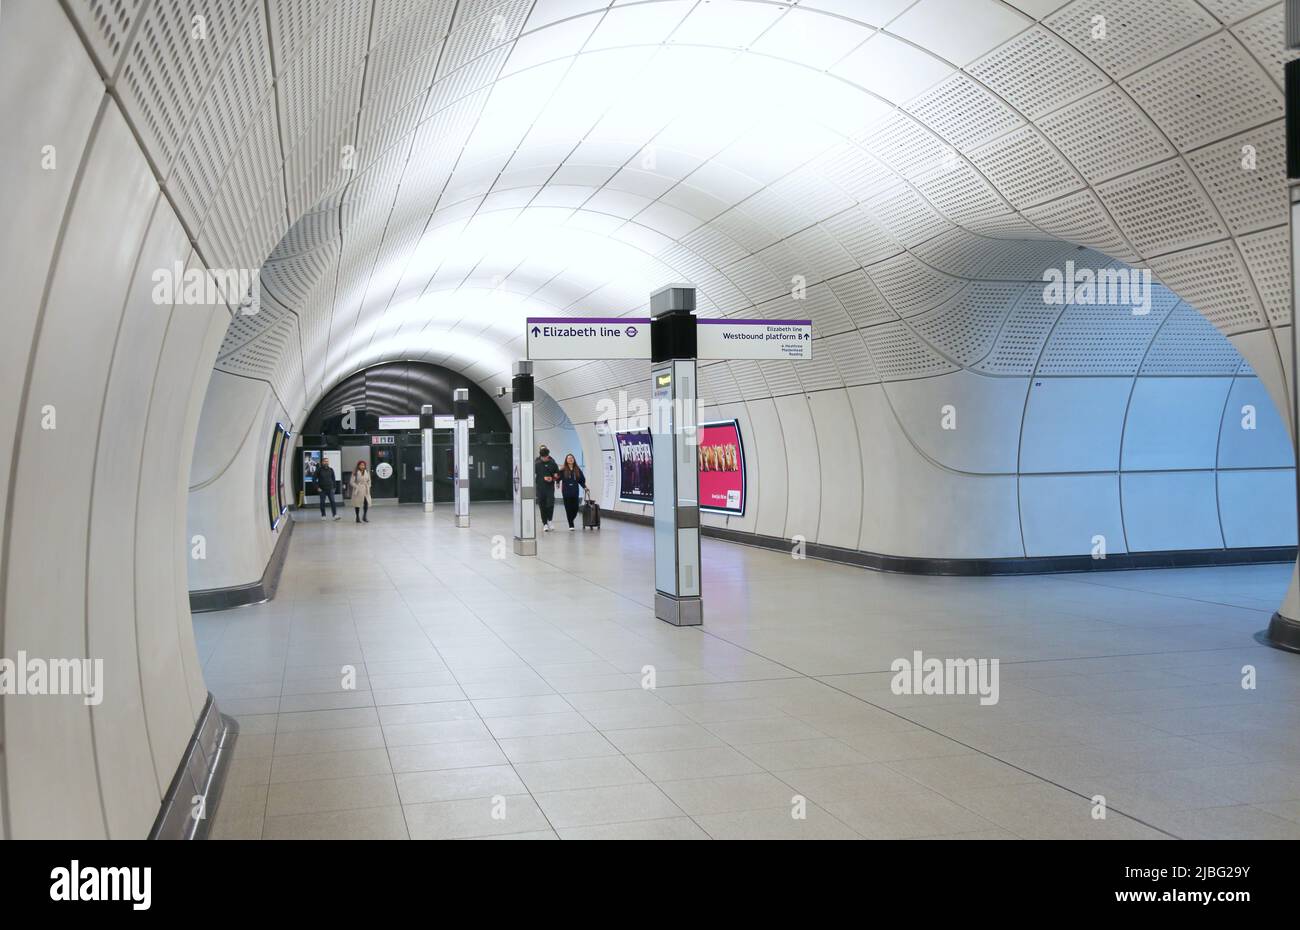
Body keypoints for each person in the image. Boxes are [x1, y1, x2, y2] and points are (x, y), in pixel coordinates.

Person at [558, 453, 587, 530]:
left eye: (572, 458)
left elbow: (581, 480)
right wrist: (557, 483)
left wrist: (585, 487)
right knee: (568, 508)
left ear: (574, 460)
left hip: (575, 492)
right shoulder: (563, 469)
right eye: (568, 458)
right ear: (566, 460)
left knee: (576, 508)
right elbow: (558, 477)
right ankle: (571, 524)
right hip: (566, 492)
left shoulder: (577, 469)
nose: (570, 459)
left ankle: (571, 519)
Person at [534, 445, 559, 532]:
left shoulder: (553, 464)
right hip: (540, 488)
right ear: (540, 456)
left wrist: (553, 478)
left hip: (550, 488)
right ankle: (545, 524)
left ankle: (550, 520)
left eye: (546, 457)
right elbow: (532, 475)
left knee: (550, 504)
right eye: (542, 457)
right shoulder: (536, 464)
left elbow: (557, 475)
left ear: (548, 455)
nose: (544, 458)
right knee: (542, 506)